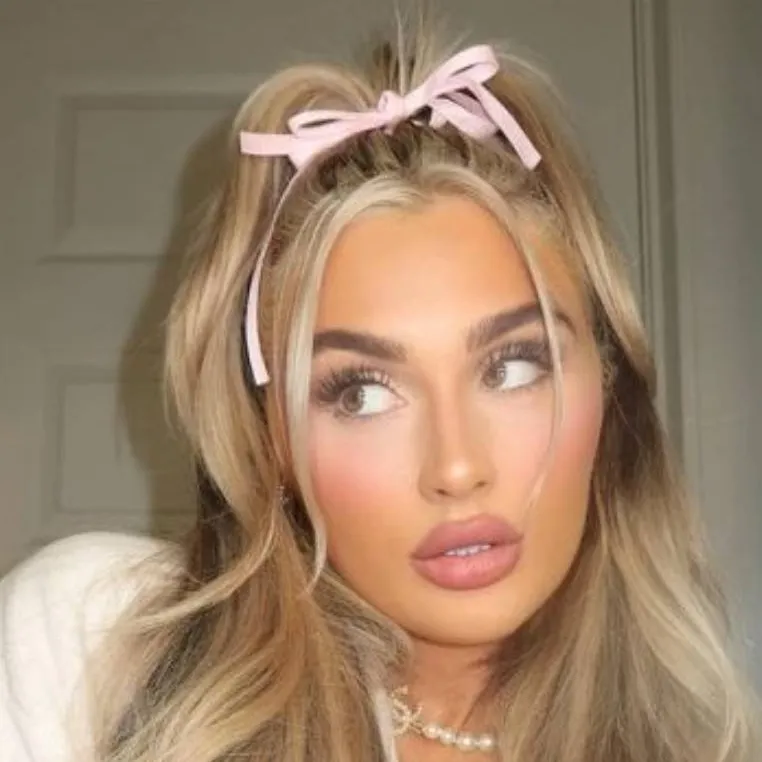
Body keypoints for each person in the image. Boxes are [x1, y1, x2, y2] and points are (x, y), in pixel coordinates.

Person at [1, 16, 758, 762]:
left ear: (610, 388)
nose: (456, 467)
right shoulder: (98, 655)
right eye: (361, 394)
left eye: (513, 367)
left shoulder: (704, 744)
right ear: (271, 442)